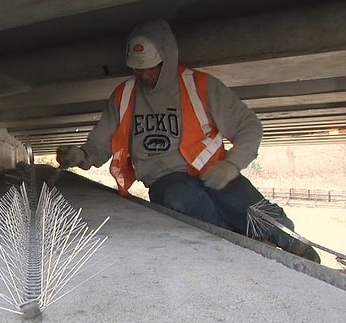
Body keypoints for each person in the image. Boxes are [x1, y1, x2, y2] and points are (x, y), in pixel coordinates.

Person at [56, 19, 320, 263]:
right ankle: (239, 253)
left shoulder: (200, 86)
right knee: (184, 200)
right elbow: (100, 143)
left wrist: (232, 165)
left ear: (168, 60)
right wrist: (81, 155)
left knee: (246, 204)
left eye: (152, 69)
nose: (145, 76)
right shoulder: (124, 95)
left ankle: (296, 248)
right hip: (166, 179)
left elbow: (249, 126)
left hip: (215, 172)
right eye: (139, 70)